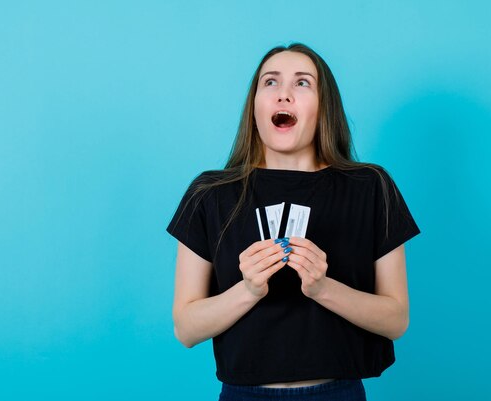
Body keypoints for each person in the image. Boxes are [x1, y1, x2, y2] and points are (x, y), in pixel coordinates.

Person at [166, 43, 420, 401]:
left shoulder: (371, 188)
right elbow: (186, 328)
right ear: (254, 107)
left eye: (302, 83)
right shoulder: (209, 194)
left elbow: (396, 320)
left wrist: (322, 288)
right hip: (243, 394)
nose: (283, 94)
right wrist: (249, 289)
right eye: (270, 83)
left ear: (323, 107)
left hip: (339, 392)